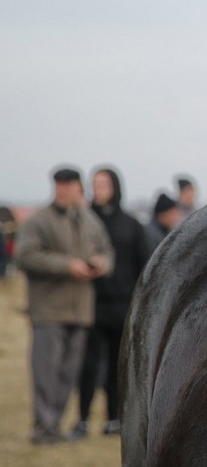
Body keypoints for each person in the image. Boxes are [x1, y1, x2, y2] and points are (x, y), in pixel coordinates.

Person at [14, 167, 114, 445]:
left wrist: (101, 264)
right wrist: (67, 266)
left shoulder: (88, 220)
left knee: (68, 374)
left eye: (68, 185)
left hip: (81, 310)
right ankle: (43, 427)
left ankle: (54, 425)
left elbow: (107, 251)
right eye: (59, 185)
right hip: (48, 310)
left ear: (77, 187)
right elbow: (26, 256)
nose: (63, 190)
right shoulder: (39, 221)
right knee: (46, 371)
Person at [69, 166, 148, 439]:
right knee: (88, 365)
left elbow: (143, 265)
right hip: (90, 302)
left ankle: (114, 418)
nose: (98, 189)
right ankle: (81, 419)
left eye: (103, 184)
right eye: (95, 184)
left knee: (118, 365)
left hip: (122, 304)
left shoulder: (131, 224)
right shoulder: (83, 221)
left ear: (115, 186)